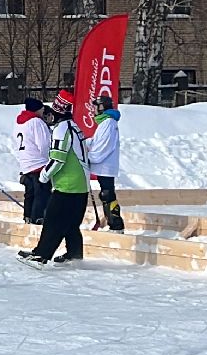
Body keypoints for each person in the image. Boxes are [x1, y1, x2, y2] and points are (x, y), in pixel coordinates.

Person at [20, 91, 89, 266]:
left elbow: (58, 158)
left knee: (53, 220)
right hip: (80, 184)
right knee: (71, 223)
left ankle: (41, 255)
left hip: (67, 185)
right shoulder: (74, 126)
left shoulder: (62, 129)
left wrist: (44, 176)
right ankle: (74, 255)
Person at [86, 93, 124, 232]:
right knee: (105, 194)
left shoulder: (108, 123)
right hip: (103, 165)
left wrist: (89, 158)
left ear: (101, 107)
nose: (93, 110)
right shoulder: (105, 122)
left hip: (105, 165)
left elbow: (104, 147)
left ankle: (116, 224)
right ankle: (113, 223)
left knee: (107, 194)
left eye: (95, 107)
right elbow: (96, 142)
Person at [14, 98, 50, 225]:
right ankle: (38, 217)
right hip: (38, 163)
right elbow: (44, 144)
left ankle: (28, 216)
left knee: (30, 194)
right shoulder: (36, 122)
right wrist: (50, 158)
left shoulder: (20, 122)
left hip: (26, 163)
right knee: (41, 193)